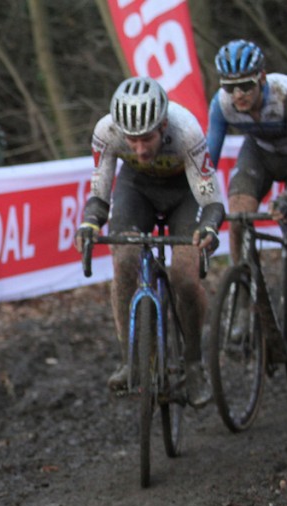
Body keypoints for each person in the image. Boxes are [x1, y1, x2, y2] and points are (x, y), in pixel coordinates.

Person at [75, 76, 225, 408]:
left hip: (184, 194)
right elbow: (99, 194)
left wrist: (211, 228)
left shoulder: (187, 130)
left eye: (148, 139)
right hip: (137, 190)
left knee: (184, 279)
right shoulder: (106, 131)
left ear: (163, 125)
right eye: (133, 141)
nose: (140, 149)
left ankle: (194, 363)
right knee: (125, 262)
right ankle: (130, 359)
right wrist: (88, 224)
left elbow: (212, 201)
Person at [207, 39, 287, 378]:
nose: (239, 95)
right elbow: (207, 162)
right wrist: (198, 200)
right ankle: (244, 301)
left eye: (246, 85)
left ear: (262, 78)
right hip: (259, 156)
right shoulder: (222, 105)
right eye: (230, 87)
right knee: (237, 215)